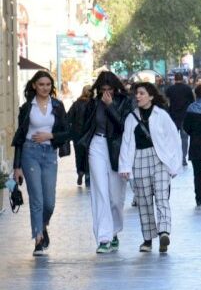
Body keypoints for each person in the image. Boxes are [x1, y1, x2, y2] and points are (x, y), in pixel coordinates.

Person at [11, 71, 70, 256]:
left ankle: (43, 225)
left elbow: (68, 132)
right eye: (41, 84)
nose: (45, 88)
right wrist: (16, 167)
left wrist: (50, 135)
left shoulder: (58, 106)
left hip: (49, 154)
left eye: (48, 84)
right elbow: (20, 137)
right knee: (36, 198)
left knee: (49, 203)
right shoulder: (27, 107)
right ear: (34, 85)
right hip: (30, 153)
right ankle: (37, 238)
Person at [119, 82, 181, 253]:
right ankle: (147, 239)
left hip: (159, 159)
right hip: (139, 159)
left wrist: (174, 164)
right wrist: (125, 166)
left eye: (141, 93)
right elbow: (127, 142)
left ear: (151, 96)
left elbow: (173, 139)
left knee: (162, 197)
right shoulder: (131, 118)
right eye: (136, 94)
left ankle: (164, 232)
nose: (137, 96)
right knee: (144, 201)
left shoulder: (162, 115)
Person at [78, 71, 133, 254]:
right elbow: (84, 126)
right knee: (100, 191)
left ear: (116, 88)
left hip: (117, 148)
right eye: (103, 89)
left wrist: (110, 106)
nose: (107, 93)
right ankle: (103, 237)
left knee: (116, 198)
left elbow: (124, 126)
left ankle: (114, 231)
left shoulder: (124, 101)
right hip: (97, 145)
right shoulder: (93, 103)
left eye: (110, 89)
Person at [164, 73, 195, 166]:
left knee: (172, 138)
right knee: (184, 138)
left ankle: (172, 157)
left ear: (174, 79)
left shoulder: (170, 89)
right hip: (185, 117)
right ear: (182, 79)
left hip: (173, 116)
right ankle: (183, 158)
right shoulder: (187, 89)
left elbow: (166, 100)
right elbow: (192, 102)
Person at [68, 85, 93, 186]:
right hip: (89, 134)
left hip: (77, 134)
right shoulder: (93, 104)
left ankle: (80, 172)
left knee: (79, 155)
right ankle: (88, 175)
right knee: (88, 155)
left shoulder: (76, 103)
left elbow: (68, 117)